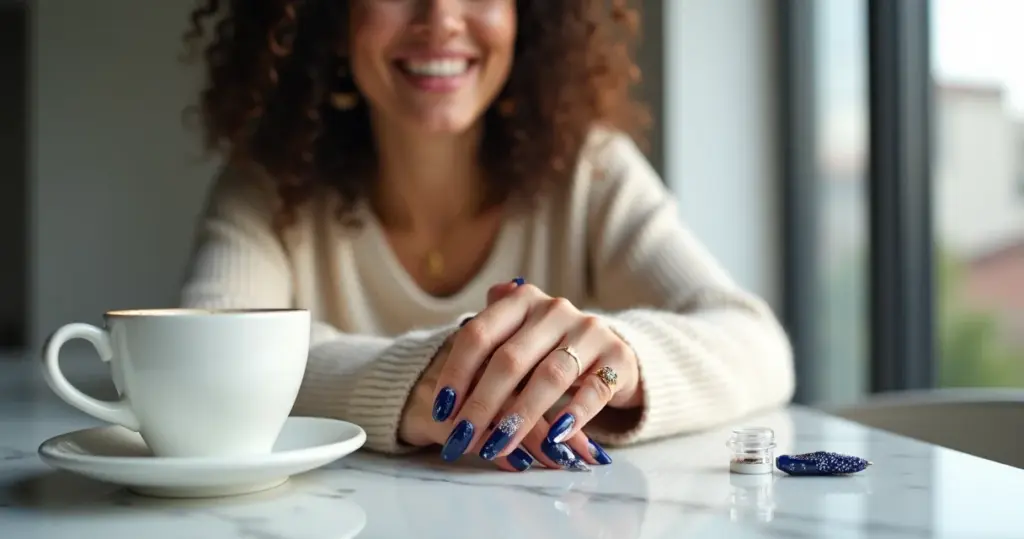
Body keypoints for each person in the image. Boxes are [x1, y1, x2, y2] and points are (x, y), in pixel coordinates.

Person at [178, 0, 795, 473]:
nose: (440, 18)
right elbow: (199, 356)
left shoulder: (592, 170)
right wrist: (412, 377)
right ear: (332, 15)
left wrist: (615, 360)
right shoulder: (269, 186)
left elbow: (759, 344)